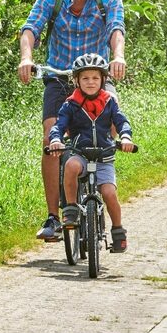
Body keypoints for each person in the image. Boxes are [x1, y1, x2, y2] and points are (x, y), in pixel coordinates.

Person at [17, 0, 127, 243]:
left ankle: (104, 178)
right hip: (60, 77)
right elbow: (30, 29)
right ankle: (54, 216)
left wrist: (118, 56)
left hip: (96, 77)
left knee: (115, 120)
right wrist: (27, 57)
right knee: (50, 139)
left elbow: (117, 29)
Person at [47, 54, 135, 253]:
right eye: (85, 78)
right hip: (81, 153)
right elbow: (59, 126)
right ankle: (70, 209)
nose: (90, 82)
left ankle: (118, 232)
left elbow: (122, 121)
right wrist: (55, 140)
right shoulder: (70, 104)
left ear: (103, 80)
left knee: (109, 193)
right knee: (71, 165)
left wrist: (126, 138)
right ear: (76, 80)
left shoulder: (109, 102)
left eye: (95, 78)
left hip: (104, 156)